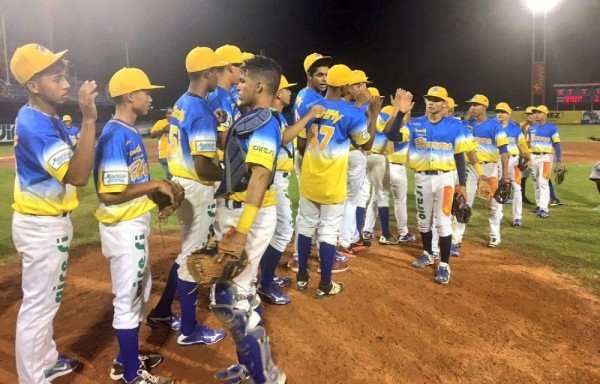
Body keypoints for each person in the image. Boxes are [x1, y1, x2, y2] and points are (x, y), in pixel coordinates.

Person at [10, 43, 97, 383]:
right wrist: (90, 118)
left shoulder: (41, 116)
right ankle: (33, 378)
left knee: (46, 304)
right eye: (56, 78)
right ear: (33, 86)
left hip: (45, 222)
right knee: (38, 308)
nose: (65, 84)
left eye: (65, 76)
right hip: (42, 225)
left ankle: (46, 360)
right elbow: (77, 176)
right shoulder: (37, 125)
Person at [94, 67, 173, 384]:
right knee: (127, 301)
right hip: (123, 230)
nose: (150, 96)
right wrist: (154, 184)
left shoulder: (129, 130)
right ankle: (130, 376)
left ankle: (123, 359)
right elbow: (109, 194)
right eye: (146, 91)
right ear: (130, 95)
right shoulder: (114, 135)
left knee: (140, 294)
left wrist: (154, 195)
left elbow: (130, 183)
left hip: (133, 226)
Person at [211, 55, 286, 384]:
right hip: (241, 212)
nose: (237, 85)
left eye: (242, 81)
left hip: (248, 216)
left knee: (229, 296)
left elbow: (258, 177)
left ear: (259, 86)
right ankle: (251, 367)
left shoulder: (264, 122)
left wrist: (241, 233)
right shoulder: (253, 118)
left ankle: (263, 376)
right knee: (241, 292)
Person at [147, 47, 227, 347]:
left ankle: (162, 311)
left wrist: (213, 121)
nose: (219, 74)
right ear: (208, 73)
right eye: (216, 70)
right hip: (196, 187)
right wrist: (230, 176)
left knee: (186, 254)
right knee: (193, 258)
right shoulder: (200, 110)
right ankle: (190, 330)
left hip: (181, 184)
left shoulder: (182, 103)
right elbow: (204, 164)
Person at [295, 64, 379, 297]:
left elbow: (301, 144)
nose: (353, 88)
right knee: (329, 232)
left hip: (310, 177)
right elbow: (367, 144)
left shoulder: (310, 106)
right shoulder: (352, 113)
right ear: (343, 86)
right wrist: (372, 115)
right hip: (332, 181)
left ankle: (302, 276)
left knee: (305, 225)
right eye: (350, 84)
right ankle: (325, 285)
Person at [386, 86, 477, 284]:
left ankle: (444, 264)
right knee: (423, 220)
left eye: (436, 99)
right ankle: (428, 253)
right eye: (428, 98)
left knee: (442, 221)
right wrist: (400, 112)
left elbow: (460, 155)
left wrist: (462, 184)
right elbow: (392, 136)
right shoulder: (415, 125)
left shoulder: (455, 125)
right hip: (421, 178)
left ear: (445, 104)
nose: (431, 102)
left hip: (445, 179)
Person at [257, 75, 324, 305]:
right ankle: (265, 283)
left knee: (274, 231)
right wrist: (308, 116)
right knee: (284, 230)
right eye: (286, 90)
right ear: (277, 93)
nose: (289, 93)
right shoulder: (270, 117)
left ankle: (267, 276)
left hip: (279, 180)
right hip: (273, 181)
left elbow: (285, 137)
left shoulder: (277, 117)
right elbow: (280, 142)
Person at [286, 52, 332, 271]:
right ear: (309, 75)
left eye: (327, 75)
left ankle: (304, 250)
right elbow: (304, 139)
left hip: (307, 156)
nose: (324, 79)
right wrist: (309, 164)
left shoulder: (306, 95)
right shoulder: (311, 99)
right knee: (310, 210)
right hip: (307, 157)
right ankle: (299, 255)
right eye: (320, 75)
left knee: (311, 210)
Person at [457, 94, 509, 248]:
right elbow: (462, 124)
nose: (472, 107)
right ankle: (457, 237)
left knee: (493, 204)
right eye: (471, 105)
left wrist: (504, 176)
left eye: (476, 105)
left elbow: (504, 152)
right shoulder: (468, 124)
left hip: (489, 168)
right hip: (470, 168)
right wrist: (469, 113)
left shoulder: (495, 125)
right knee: (464, 202)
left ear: (485, 107)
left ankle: (495, 235)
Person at [495, 102, 530, 227]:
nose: (500, 114)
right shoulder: (492, 126)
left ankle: (517, 217)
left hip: (514, 162)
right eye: (498, 111)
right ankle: (498, 215)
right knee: (497, 189)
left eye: (503, 112)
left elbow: (522, 144)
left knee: (517, 188)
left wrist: (528, 157)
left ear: (509, 114)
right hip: (497, 161)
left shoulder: (515, 128)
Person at [207, 44, 243, 163]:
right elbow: (222, 141)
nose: (242, 72)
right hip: (223, 162)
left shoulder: (225, 93)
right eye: (240, 67)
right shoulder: (219, 96)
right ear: (231, 67)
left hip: (228, 159)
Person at [528, 105, 562, 218]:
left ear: (545, 114)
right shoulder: (531, 128)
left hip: (546, 158)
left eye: (539, 112)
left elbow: (557, 145)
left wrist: (559, 161)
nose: (536, 114)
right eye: (535, 112)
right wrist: (528, 157)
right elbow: (528, 144)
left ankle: (544, 208)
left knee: (543, 182)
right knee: (535, 183)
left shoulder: (552, 128)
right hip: (533, 157)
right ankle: (538, 205)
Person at [519, 107, 536, 205]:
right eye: (528, 114)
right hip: (525, 154)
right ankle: (522, 197)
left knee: (539, 177)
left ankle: (552, 198)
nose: (529, 116)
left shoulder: (539, 126)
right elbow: (519, 132)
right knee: (522, 177)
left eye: (531, 114)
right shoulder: (523, 125)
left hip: (536, 154)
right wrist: (526, 123)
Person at [150, 107, 173, 179]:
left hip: (177, 154)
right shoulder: (161, 123)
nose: (172, 114)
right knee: (171, 174)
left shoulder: (179, 123)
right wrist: (162, 130)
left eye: (173, 112)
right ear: (166, 114)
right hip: (164, 154)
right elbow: (152, 135)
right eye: (169, 113)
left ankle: (172, 188)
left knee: (175, 175)